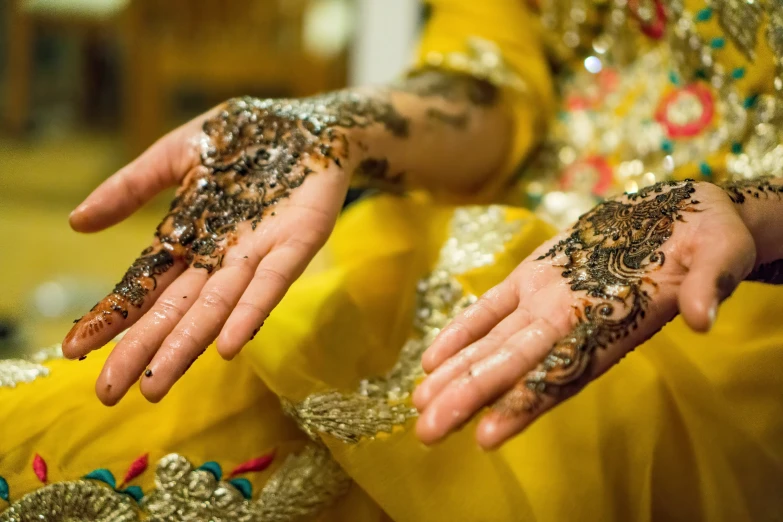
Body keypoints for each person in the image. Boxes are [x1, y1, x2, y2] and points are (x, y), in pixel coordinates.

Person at [2, 0, 783, 520]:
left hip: (733, 299)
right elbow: (487, 91)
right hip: (472, 238)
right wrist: (333, 124)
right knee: (66, 436)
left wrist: (751, 211)